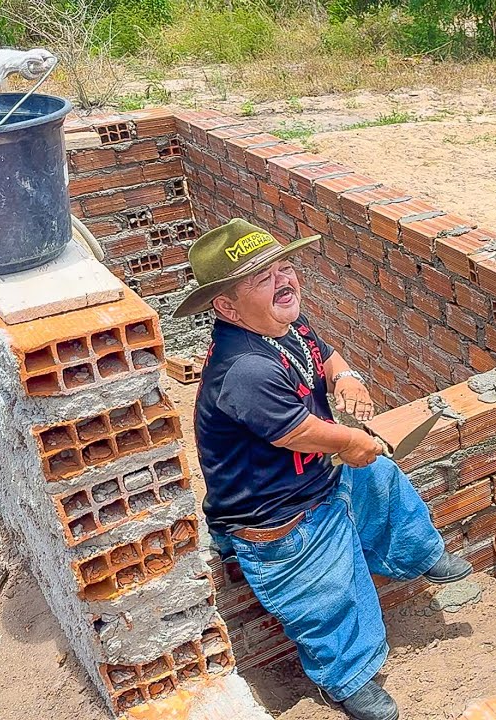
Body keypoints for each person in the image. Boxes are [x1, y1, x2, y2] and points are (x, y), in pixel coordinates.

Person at [175, 219, 473, 720]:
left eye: (284, 267)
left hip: (310, 473)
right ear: (226, 306)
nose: (283, 280)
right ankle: (348, 677)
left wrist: (348, 378)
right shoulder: (244, 367)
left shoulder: (280, 324)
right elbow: (297, 433)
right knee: (326, 590)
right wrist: (355, 439)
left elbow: (324, 355)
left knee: (381, 478)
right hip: (275, 513)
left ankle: (414, 554)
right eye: (262, 278)